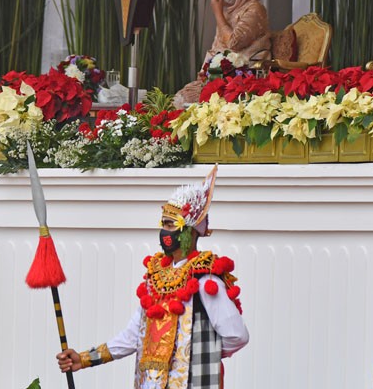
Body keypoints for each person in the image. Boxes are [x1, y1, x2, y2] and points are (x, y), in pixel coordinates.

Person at [56, 166, 249, 388]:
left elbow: (238, 335)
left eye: (170, 224)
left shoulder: (205, 281)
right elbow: (132, 335)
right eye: (163, 224)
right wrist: (85, 358)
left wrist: (200, 354)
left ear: (189, 230)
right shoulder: (155, 279)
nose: (164, 231)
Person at [174, 0, 271, 108]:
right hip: (221, 76)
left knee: (187, 104)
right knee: (179, 100)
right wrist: (205, 74)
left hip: (245, 77)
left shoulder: (255, 9)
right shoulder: (228, 11)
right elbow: (216, 47)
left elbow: (234, 43)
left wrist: (217, 13)